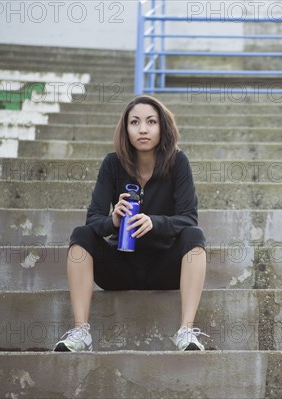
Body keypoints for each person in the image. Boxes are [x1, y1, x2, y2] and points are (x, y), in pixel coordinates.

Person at [54, 95, 207, 352]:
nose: (143, 129)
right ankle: (81, 332)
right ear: (126, 129)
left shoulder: (178, 162)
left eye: (151, 122)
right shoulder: (112, 164)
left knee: (194, 235)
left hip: (164, 269)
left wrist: (155, 223)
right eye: (134, 122)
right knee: (81, 234)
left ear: (162, 127)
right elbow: (93, 220)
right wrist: (113, 221)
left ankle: (187, 331)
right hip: (119, 267)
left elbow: (188, 217)